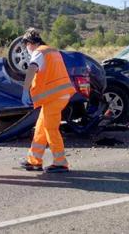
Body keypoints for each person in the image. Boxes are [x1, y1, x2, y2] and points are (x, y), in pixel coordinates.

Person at [19, 28, 76, 173]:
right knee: (41, 127)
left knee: (51, 128)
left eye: (26, 46)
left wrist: (25, 89)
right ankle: (34, 160)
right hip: (59, 95)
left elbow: (32, 68)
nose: (27, 49)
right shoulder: (52, 51)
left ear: (30, 43)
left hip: (54, 97)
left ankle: (60, 162)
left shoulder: (39, 52)